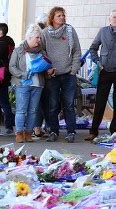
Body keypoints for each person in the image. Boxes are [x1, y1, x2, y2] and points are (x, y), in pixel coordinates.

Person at [41, 6, 81, 143]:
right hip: (52, 75)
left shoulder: (70, 30)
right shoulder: (45, 33)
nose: (62, 17)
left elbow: (76, 51)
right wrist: (48, 68)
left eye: (63, 15)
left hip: (68, 74)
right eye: (59, 15)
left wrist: (74, 69)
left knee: (69, 104)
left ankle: (71, 132)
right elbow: (42, 52)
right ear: (52, 18)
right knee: (52, 105)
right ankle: (53, 131)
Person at [9, 24, 48, 143]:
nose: (39, 40)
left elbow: (46, 66)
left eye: (40, 38)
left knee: (33, 111)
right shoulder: (19, 50)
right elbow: (11, 67)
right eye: (37, 37)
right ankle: (19, 133)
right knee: (21, 110)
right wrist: (22, 74)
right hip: (22, 84)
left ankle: (29, 133)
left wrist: (49, 69)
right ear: (29, 37)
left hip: (37, 85)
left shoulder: (42, 52)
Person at [85, 10, 116, 141]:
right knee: (100, 102)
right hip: (105, 70)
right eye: (114, 17)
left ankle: (114, 131)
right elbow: (93, 48)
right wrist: (98, 62)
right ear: (109, 19)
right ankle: (93, 131)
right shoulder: (103, 31)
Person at [0, 23, 16, 135]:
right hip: (5, 76)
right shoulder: (9, 43)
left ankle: (7, 126)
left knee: (1, 102)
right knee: (1, 101)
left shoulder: (0, 44)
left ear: (0, 32)